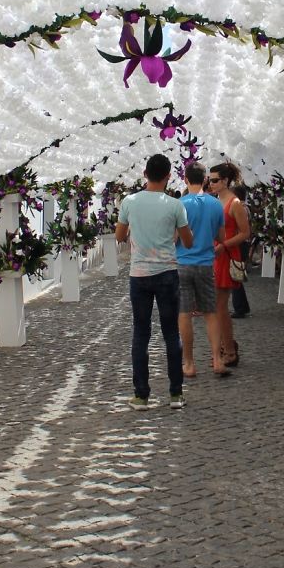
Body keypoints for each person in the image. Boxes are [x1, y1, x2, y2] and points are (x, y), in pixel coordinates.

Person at [116, 153, 193, 410]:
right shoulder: (175, 205)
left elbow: (119, 235)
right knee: (171, 333)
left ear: (144, 173)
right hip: (167, 272)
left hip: (139, 274)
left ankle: (141, 395)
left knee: (141, 333)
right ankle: (175, 394)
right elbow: (187, 240)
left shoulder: (130, 201)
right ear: (169, 177)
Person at [176, 163, 231, 380]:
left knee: (184, 314)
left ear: (186, 179)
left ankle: (189, 363)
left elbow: (174, 237)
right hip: (206, 264)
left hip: (183, 263)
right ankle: (217, 360)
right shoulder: (215, 204)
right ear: (205, 180)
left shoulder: (179, 204)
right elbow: (222, 236)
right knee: (210, 313)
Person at [208, 162, 250, 367]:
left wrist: (224, 245)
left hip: (226, 254)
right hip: (215, 253)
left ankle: (229, 350)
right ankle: (226, 345)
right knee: (217, 306)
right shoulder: (216, 201)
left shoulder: (234, 203)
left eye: (215, 180)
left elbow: (245, 232)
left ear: (225, 181)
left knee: (220, 306)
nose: (211, 183)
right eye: (210, 179)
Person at [230, 180, 251, 319]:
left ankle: (240, 308)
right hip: (242, 243)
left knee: (235, 275)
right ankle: (242, 306)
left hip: (239, 243)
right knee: (236, 275)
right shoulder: (245, 207)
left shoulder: (240, 208)